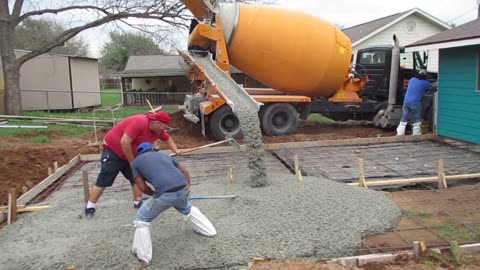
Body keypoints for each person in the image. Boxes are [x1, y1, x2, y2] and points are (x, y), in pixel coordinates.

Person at [130, 142, 216, 264]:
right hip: (182, 190)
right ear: (153, 149)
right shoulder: (165, 155)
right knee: (187, 208)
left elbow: (142, 187)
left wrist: (154, 194)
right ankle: (210, 231)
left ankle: (143, 255)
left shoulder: (135, 163)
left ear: (138, 154)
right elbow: (185, 171)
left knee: (141, 219)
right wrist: (188, 187)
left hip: (164, 195)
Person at [85, 111, 181, 216]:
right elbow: (124, 142)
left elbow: (167, 139)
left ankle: (138, 201)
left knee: (135, 177)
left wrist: (175, 150)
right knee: (105, 177)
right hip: (113, 150)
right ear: (157, 123)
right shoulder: (139, 122)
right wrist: (132, 162)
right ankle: (90, 206)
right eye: (163, 127)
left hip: (131, 152)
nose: (163, 130)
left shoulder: (157, 130)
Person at [396, 69, 436, 136]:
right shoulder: (425, 83)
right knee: (416, 118)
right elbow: (433, 87)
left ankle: (400, 133)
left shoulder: (412, 79)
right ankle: (416, 134)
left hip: (406, 101)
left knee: (404, 117)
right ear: (425, 76)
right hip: (415, 102)